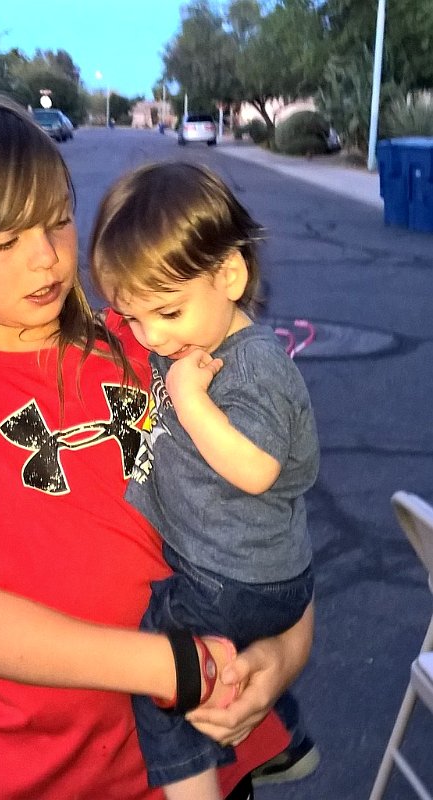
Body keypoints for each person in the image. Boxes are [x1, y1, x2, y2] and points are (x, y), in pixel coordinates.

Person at [0, 94, 314, 800]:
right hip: (49, 775)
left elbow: (268, 509)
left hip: (207, 751)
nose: (45, 257)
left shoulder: (150, 343)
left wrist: (282, 654)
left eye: (57, 221)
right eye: (4, 242)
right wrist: (165, 666)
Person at [89, 161, 319, 800]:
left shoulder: (253, 366)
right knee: (226, 658)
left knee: (165, 667)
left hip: (232, 579)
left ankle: (195, 789)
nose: (153, 337)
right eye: (135, 318)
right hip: (258, 574)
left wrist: (189, 400)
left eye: (167, 312)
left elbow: (256, 468)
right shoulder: (195, 338)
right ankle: (282, 736)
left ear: (231, 276)